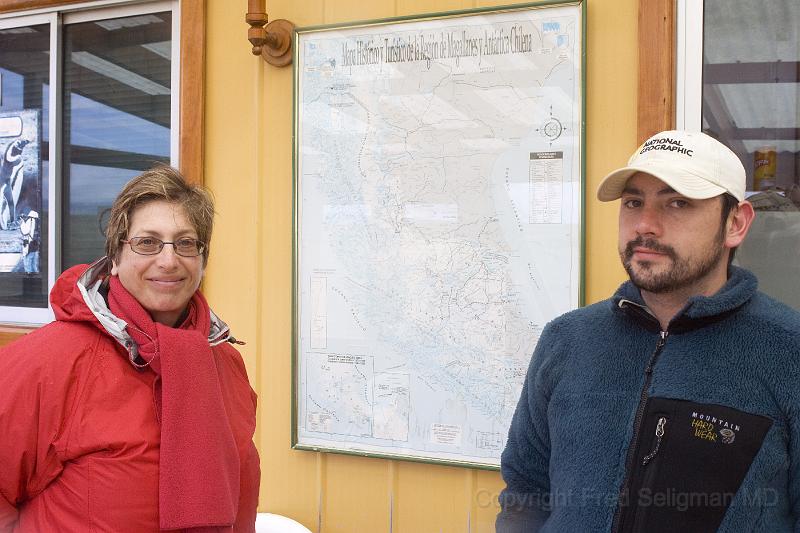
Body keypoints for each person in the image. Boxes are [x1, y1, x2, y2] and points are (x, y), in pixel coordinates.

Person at [496, 130, 800, 532]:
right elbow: (525, 490)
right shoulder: (566, 340)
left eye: (677, 203)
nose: (644, 225)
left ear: (736, 223)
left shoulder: (787, 349)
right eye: (633, 202)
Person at [0, 166, 260, 532]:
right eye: (147, 242)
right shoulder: (48, 361)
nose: (169, 261)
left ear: (202, 259)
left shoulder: (224, 362)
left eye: (186, 243)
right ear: (116, 258)